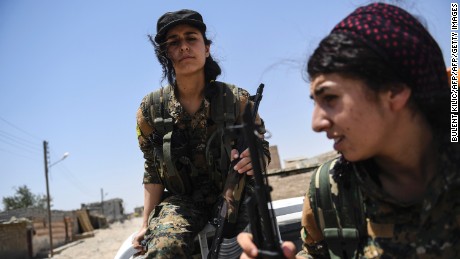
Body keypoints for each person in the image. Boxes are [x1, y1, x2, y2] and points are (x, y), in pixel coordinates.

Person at [238, 2, 459, 258]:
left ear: (395, 90)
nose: (316, 123)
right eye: (315, 102)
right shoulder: (330, 189)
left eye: (330, 98)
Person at [132, 9, 270, 258]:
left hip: (236, 196)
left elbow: (261, 146)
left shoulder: (237, 100)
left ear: (206, 48)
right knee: (162, 249)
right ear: (165, 53)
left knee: (257, 245)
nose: (184, 46)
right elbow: (152, 169)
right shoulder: (150, 109)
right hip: (182, 201)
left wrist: (256, 158)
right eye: (174, 42)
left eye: (191, 38)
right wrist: (145, 224)